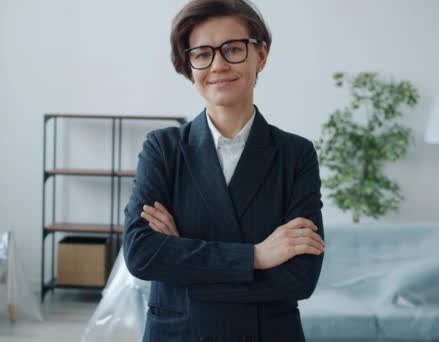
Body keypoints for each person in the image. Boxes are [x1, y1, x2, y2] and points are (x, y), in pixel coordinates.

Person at [123, 1, 325, 341]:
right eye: (202, 54)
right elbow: (141, 254)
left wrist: (182, 258)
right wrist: (257, 256)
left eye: (233, 49)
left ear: (260, 55)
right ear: (189, 66)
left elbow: (300, 278)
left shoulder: (296, 154)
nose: (217, 65)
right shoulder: (163, 149)